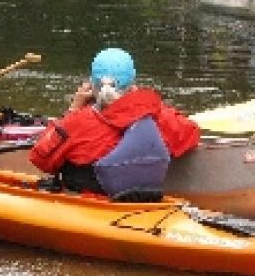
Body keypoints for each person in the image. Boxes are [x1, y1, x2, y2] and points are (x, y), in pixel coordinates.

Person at [29, 48, 200, 200]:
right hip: (142, 208)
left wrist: (73, 108)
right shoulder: (158, 116)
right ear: (133, 85)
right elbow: (190, 135)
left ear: (91, 86)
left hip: (90, 208)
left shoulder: (77, 122)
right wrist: (142, 103)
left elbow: (40, 158)